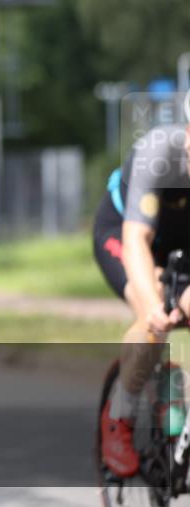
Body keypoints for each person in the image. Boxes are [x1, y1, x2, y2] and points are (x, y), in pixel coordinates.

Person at [97, 90, 190, 478]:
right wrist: (155, 306)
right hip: (125, 233)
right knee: (154, 317)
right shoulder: (159, 152)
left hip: (182, 244)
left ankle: (174, 395)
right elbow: (136, 240)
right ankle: (119, 417)